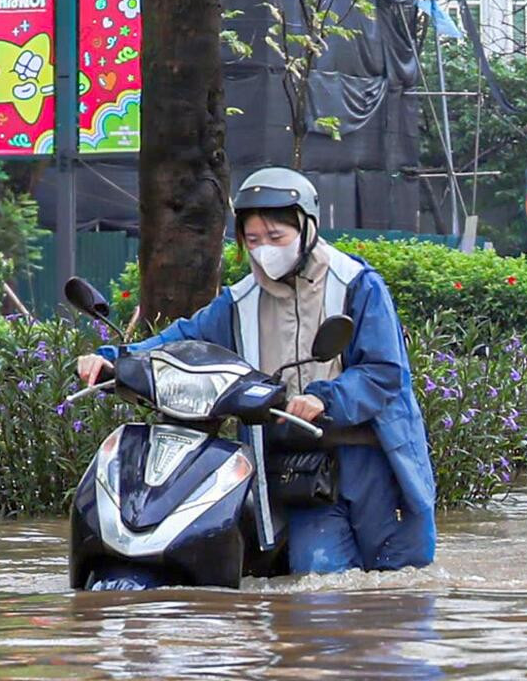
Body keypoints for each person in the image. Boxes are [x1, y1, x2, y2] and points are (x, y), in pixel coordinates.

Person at [75, 168, 436, 575]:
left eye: (276, 237)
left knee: (403, 582)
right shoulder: (240, 301)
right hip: (298, 467)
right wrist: (115, 360)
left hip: (372, 458)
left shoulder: (357, 285)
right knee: (318, 581)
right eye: (253, 240)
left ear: (307, 229)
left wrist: (324, 398)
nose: (265, 249)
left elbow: (383, 372)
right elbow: (184, 338)